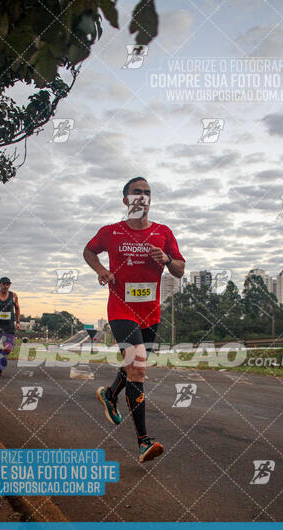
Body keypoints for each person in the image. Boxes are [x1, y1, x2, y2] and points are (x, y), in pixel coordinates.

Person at [83, 177, 185, 463]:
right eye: (136, 192)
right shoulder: (111, 232)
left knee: (134, 369)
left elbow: (179, 269)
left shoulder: (163, 233)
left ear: (150, 200)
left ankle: (109, 393)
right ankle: (143, 442)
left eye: (147, 193)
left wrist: (165, 259)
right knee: (138, 371)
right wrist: (102, 270)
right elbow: (88, 250)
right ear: (126, 200)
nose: (142, 197)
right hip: (121, 310)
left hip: (151, 313)